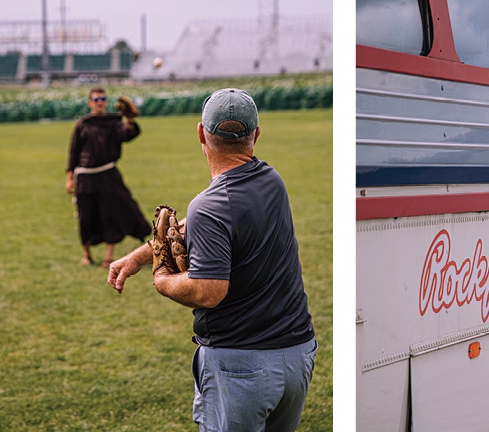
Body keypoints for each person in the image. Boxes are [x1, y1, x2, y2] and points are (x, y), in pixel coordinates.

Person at [107, 88, 317, 431]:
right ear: (256, 135)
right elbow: (216, 221)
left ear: (201, 134)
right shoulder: (271, 180)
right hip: (296, 356)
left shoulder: (209, 206)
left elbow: (209, 292)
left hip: (242, 366)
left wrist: (161, 278)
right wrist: (142, 254)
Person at [65, 87, 150, 268]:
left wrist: (130, 119)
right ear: (90, 102)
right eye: (96, 99)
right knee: (86, 217)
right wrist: (69, 177)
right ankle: (86, 255)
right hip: (86, 178)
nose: (100, 102)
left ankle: (108, 257)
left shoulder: (114, 122)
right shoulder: (83, 124)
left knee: (109, 215)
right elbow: (73, 152)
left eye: (103, 98)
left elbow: (127, 134)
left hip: (108, 175)